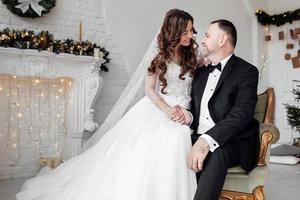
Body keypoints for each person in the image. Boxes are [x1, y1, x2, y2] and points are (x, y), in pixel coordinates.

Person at [16, 9, 199, 200]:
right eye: (185, 31)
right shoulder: (159, 55)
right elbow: (150, 90)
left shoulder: (192, 54)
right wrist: (168, 110)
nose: (190, 35)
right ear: (174, 32)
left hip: (184, 109)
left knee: (176, 136)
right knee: (164, 139)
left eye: (191, 30)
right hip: (160, 108)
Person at [181, 19, 260, 200]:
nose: (202, 40)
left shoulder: (247, 72)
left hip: (232, 142)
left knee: (216, 153)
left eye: (208, 35)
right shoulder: (200, 71)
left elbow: (241, 114)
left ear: (222, 39)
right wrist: (187, 115)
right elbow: (196, 111)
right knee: (170, 147)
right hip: (196, 135)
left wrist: (206, 141)